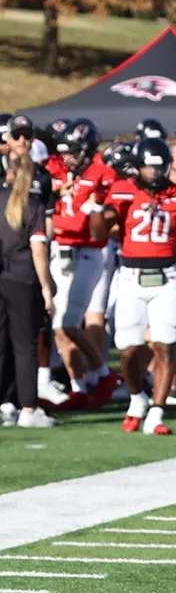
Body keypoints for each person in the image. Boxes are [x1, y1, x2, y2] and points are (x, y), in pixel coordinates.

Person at [102, 138, 176, 436]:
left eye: (159, 167)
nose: (155, 173)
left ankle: (156, 414)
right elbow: (99, 230)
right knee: (128, 349)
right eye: (149, 167)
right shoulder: (123, 190)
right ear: (138, 167)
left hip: (166, 276)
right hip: (131, 276)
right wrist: (100, 210)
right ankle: (136, 397)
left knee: (163, 346)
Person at [45, 120, 116, 408]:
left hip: (87, 254)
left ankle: (102, 373)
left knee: (70, 323)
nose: (67, 158)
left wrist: (58, 223)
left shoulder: (103, 173)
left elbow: (87, 227)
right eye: (65, 152)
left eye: (73, 151)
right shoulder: (56, 170)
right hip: (60, 252)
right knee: (59, 326)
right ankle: (79, 386)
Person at [0, 148, 58, 428]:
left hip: (3, 276)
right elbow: (38, 251)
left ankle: (5, 403)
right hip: (23, 280)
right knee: (25, 346)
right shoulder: (33, 205)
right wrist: (47, 288)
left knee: (1, 344)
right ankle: (27, 408)